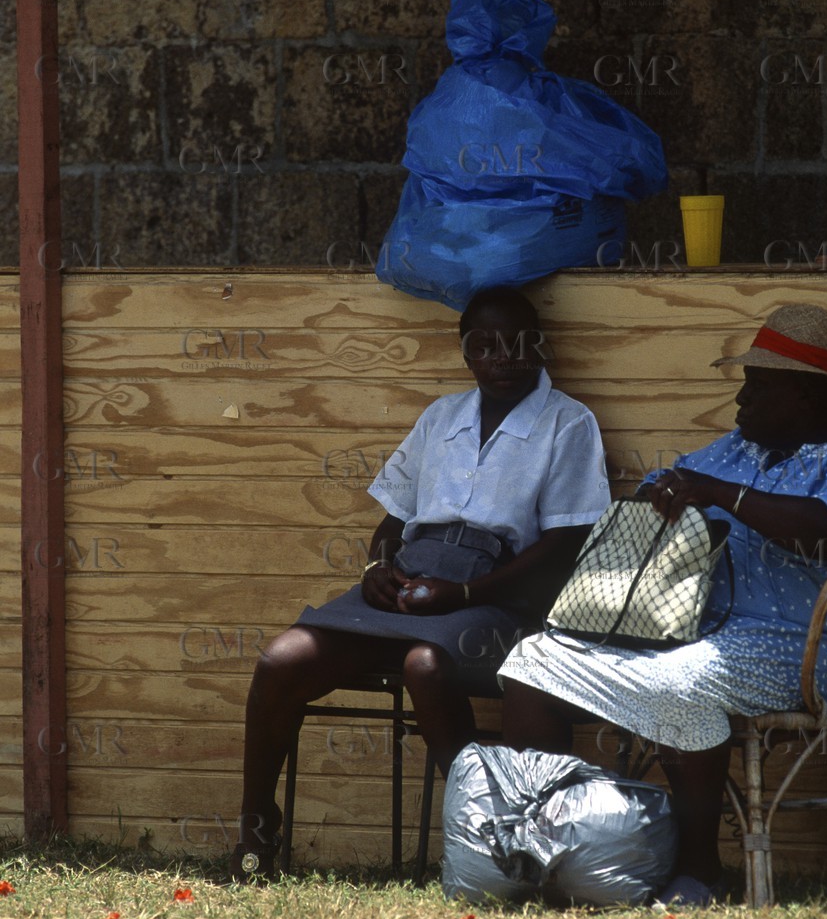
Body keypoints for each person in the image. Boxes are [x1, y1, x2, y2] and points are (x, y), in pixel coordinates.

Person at [499, 302, 827, 907]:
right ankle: (555, 847)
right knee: (531, 662)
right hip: (681, 640)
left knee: (678, 685)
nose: (741, 404)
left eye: (758, 387)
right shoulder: (734, 450)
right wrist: (663, 494)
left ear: (809, 397)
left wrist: (722, 496)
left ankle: (699, 869)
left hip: (796, 651)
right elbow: (662, 489)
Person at [230, 284, 611, 880]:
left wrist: (462, 595)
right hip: (413, 580)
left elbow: (562, 546)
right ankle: (256, 833)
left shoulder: (567, 422)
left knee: (424, 665)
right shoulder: (442, 416)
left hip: (498, 593)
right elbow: (393, 521)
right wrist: (375, 570)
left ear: (539, 348)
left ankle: (483, 838)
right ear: (466, 356)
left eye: (517, 344)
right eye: (484, 347)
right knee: (282, 661)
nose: (502, 357)